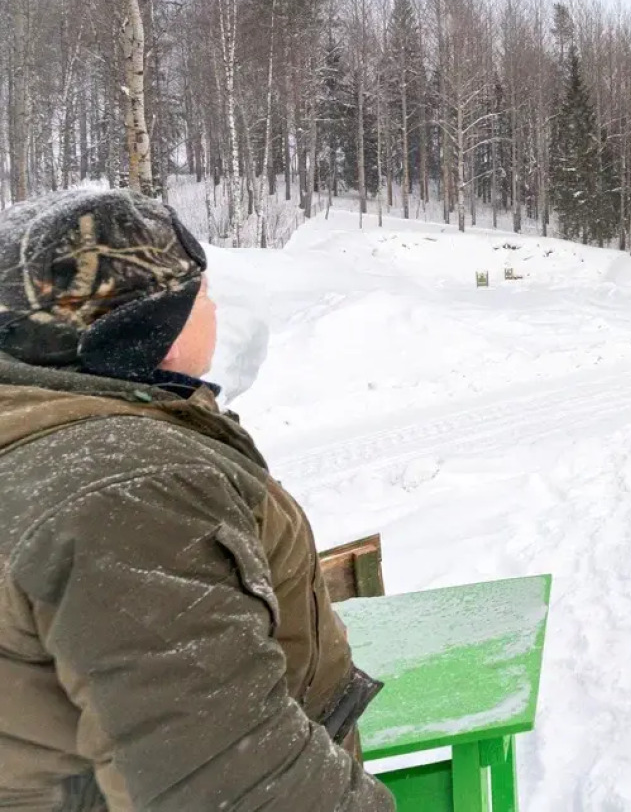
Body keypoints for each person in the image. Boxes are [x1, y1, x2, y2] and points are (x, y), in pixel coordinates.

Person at [0, 189, 393, 809]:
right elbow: (230, 783)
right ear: (146, 326)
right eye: (200, 294)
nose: (212, 308)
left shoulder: (45, 431)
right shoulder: (128, 490)